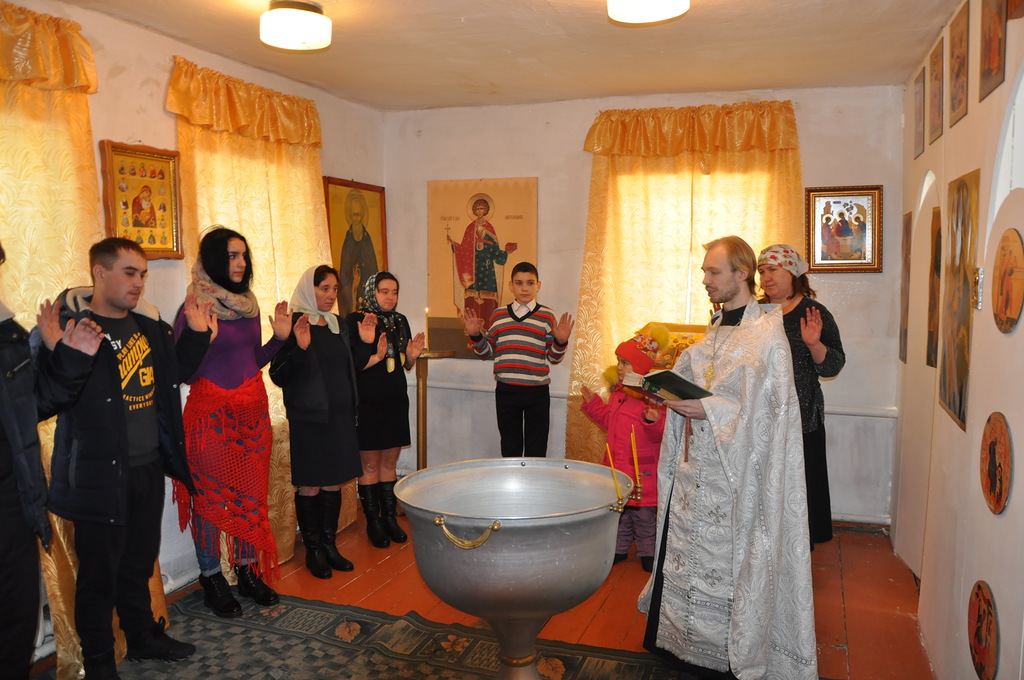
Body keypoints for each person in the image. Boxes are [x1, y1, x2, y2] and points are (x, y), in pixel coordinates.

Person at [33, 237, 213, 680]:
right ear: (99, 272)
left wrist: (198, 336)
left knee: (138, 562)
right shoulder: (70, 329)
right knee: (98, 577)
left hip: (147, 466)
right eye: (129, 273)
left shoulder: (148, 327)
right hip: (98, 474)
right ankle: (98, 663)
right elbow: (44, 401)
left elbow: (173, 375)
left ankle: (142, 637)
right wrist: (63, 352)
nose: (139, 283)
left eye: (143, 275)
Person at [639, 236, 816, 680]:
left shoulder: (768, 335)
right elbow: (709, 382)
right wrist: (667, 390)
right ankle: (679, 644)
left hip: (738, 480)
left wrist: (710, 410)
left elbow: (770, 416)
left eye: (713, 272)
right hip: (695, 470)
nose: (705, 279)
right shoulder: (716, 327)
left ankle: (726, 654)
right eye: (704, 271)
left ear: (742, 273)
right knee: (685, 551)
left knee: (728, 562)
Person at [174, 226, 292, 617]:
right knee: (210, 501)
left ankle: (246, 570)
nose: (240, 263)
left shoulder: (248, 306)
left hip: (252, 418)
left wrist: (278, 339)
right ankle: (211, 576)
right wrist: (200, 339)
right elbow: (184, 373)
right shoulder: (196, 306)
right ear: (213, 259)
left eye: (243, 255)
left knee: (248, 498)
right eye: (231, 256)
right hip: (210, 419)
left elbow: (251, 360)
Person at [0, 242, 103, 679]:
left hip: (10, 498)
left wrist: (68, 357)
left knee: (16, 617)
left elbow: (31, 406)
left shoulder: (6, 333)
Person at [270, 265, 377, 578]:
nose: (331, 295)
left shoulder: (336, 324)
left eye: (333, 289)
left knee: (333, 480)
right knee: (311, 483)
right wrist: (301, 348)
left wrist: (365, 343)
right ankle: (314, 549)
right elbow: (278, 374)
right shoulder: (294, 323)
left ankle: (329, 545)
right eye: (324, 288)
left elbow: (349, 367)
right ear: (309, 288)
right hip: (310, 418)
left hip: (340, 416)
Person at [758, 244, 846, 545]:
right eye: (762, 271)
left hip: (802, 415)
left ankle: (799, 544)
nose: (766, 278)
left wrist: (813, 344)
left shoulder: (813, 312)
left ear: (793, 272)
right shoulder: (754, 312)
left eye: (773, 269)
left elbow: (833, 365)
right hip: (760, 413)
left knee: (802, 481)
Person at [460, 262, 574, 458]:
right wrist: (476, 335)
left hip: (537, 392)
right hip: (507, 390)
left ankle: (532, 479)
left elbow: (553, 358)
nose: (524, 288)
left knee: (536, 450)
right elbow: (486, 352)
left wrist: (561, 341)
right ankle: (512, 479)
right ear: (511, 285)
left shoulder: (547, 316)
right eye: (519, 283)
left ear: (538, 285)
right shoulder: (499, 315)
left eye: (530, 283)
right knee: (510, 448)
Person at [346, 272, 424, 548]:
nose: (390, 297)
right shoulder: (356, 319)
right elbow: (352, 365)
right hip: (368, 401)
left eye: (394, 292)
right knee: (369, 464)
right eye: (384, 291)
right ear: (372, 292)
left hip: (395, 399)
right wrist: (377, 356)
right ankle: (373, 523)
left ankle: (389, 518)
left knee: (389, 464)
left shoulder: (399, 320)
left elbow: (403, 364)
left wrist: (412, 358)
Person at [580, 330, 666, 573]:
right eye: (619, 361)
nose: (619, 367)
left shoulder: (652, 397)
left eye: (626, 363)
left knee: (645, 516)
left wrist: (653, 420)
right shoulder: (618, 394)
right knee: (621, 514)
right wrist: (593, 404)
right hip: (617, 467)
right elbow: (610, 422)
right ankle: (618, 549)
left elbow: (662, 435)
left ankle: (648, 553)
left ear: (639, 368)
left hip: (642, 469)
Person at [448, 196, 518, 326]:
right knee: (472, 298)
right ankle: (471, 330)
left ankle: (489, 328)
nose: (479, 211)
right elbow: (464, 249)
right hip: (473, 269)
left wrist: (505, 252)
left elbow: (495, 250)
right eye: (477, 209)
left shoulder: (489, 228)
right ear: (474, 211)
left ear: (486, 210)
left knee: (488, 299)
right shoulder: (470, 228)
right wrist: (454, 245)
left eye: (482, 209)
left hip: (487, 269)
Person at [338, 189, 378, 317]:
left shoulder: (367, 238)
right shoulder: (348, 238)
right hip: (352, 286)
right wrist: (352, 283)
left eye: (358, 215)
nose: (356, 219)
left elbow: (372, 265)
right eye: (354, 215)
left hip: (366, 283)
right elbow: (345, 266)